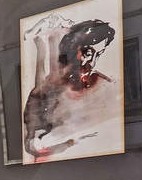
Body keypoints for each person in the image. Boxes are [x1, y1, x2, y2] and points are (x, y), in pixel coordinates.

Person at [21, 17, 123, 162]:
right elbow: (33, 146)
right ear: (71, 51)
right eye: (88, 53)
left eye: (98, 54)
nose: (92, 61)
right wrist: (70, 141)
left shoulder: (105, 86)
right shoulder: (46, 92)